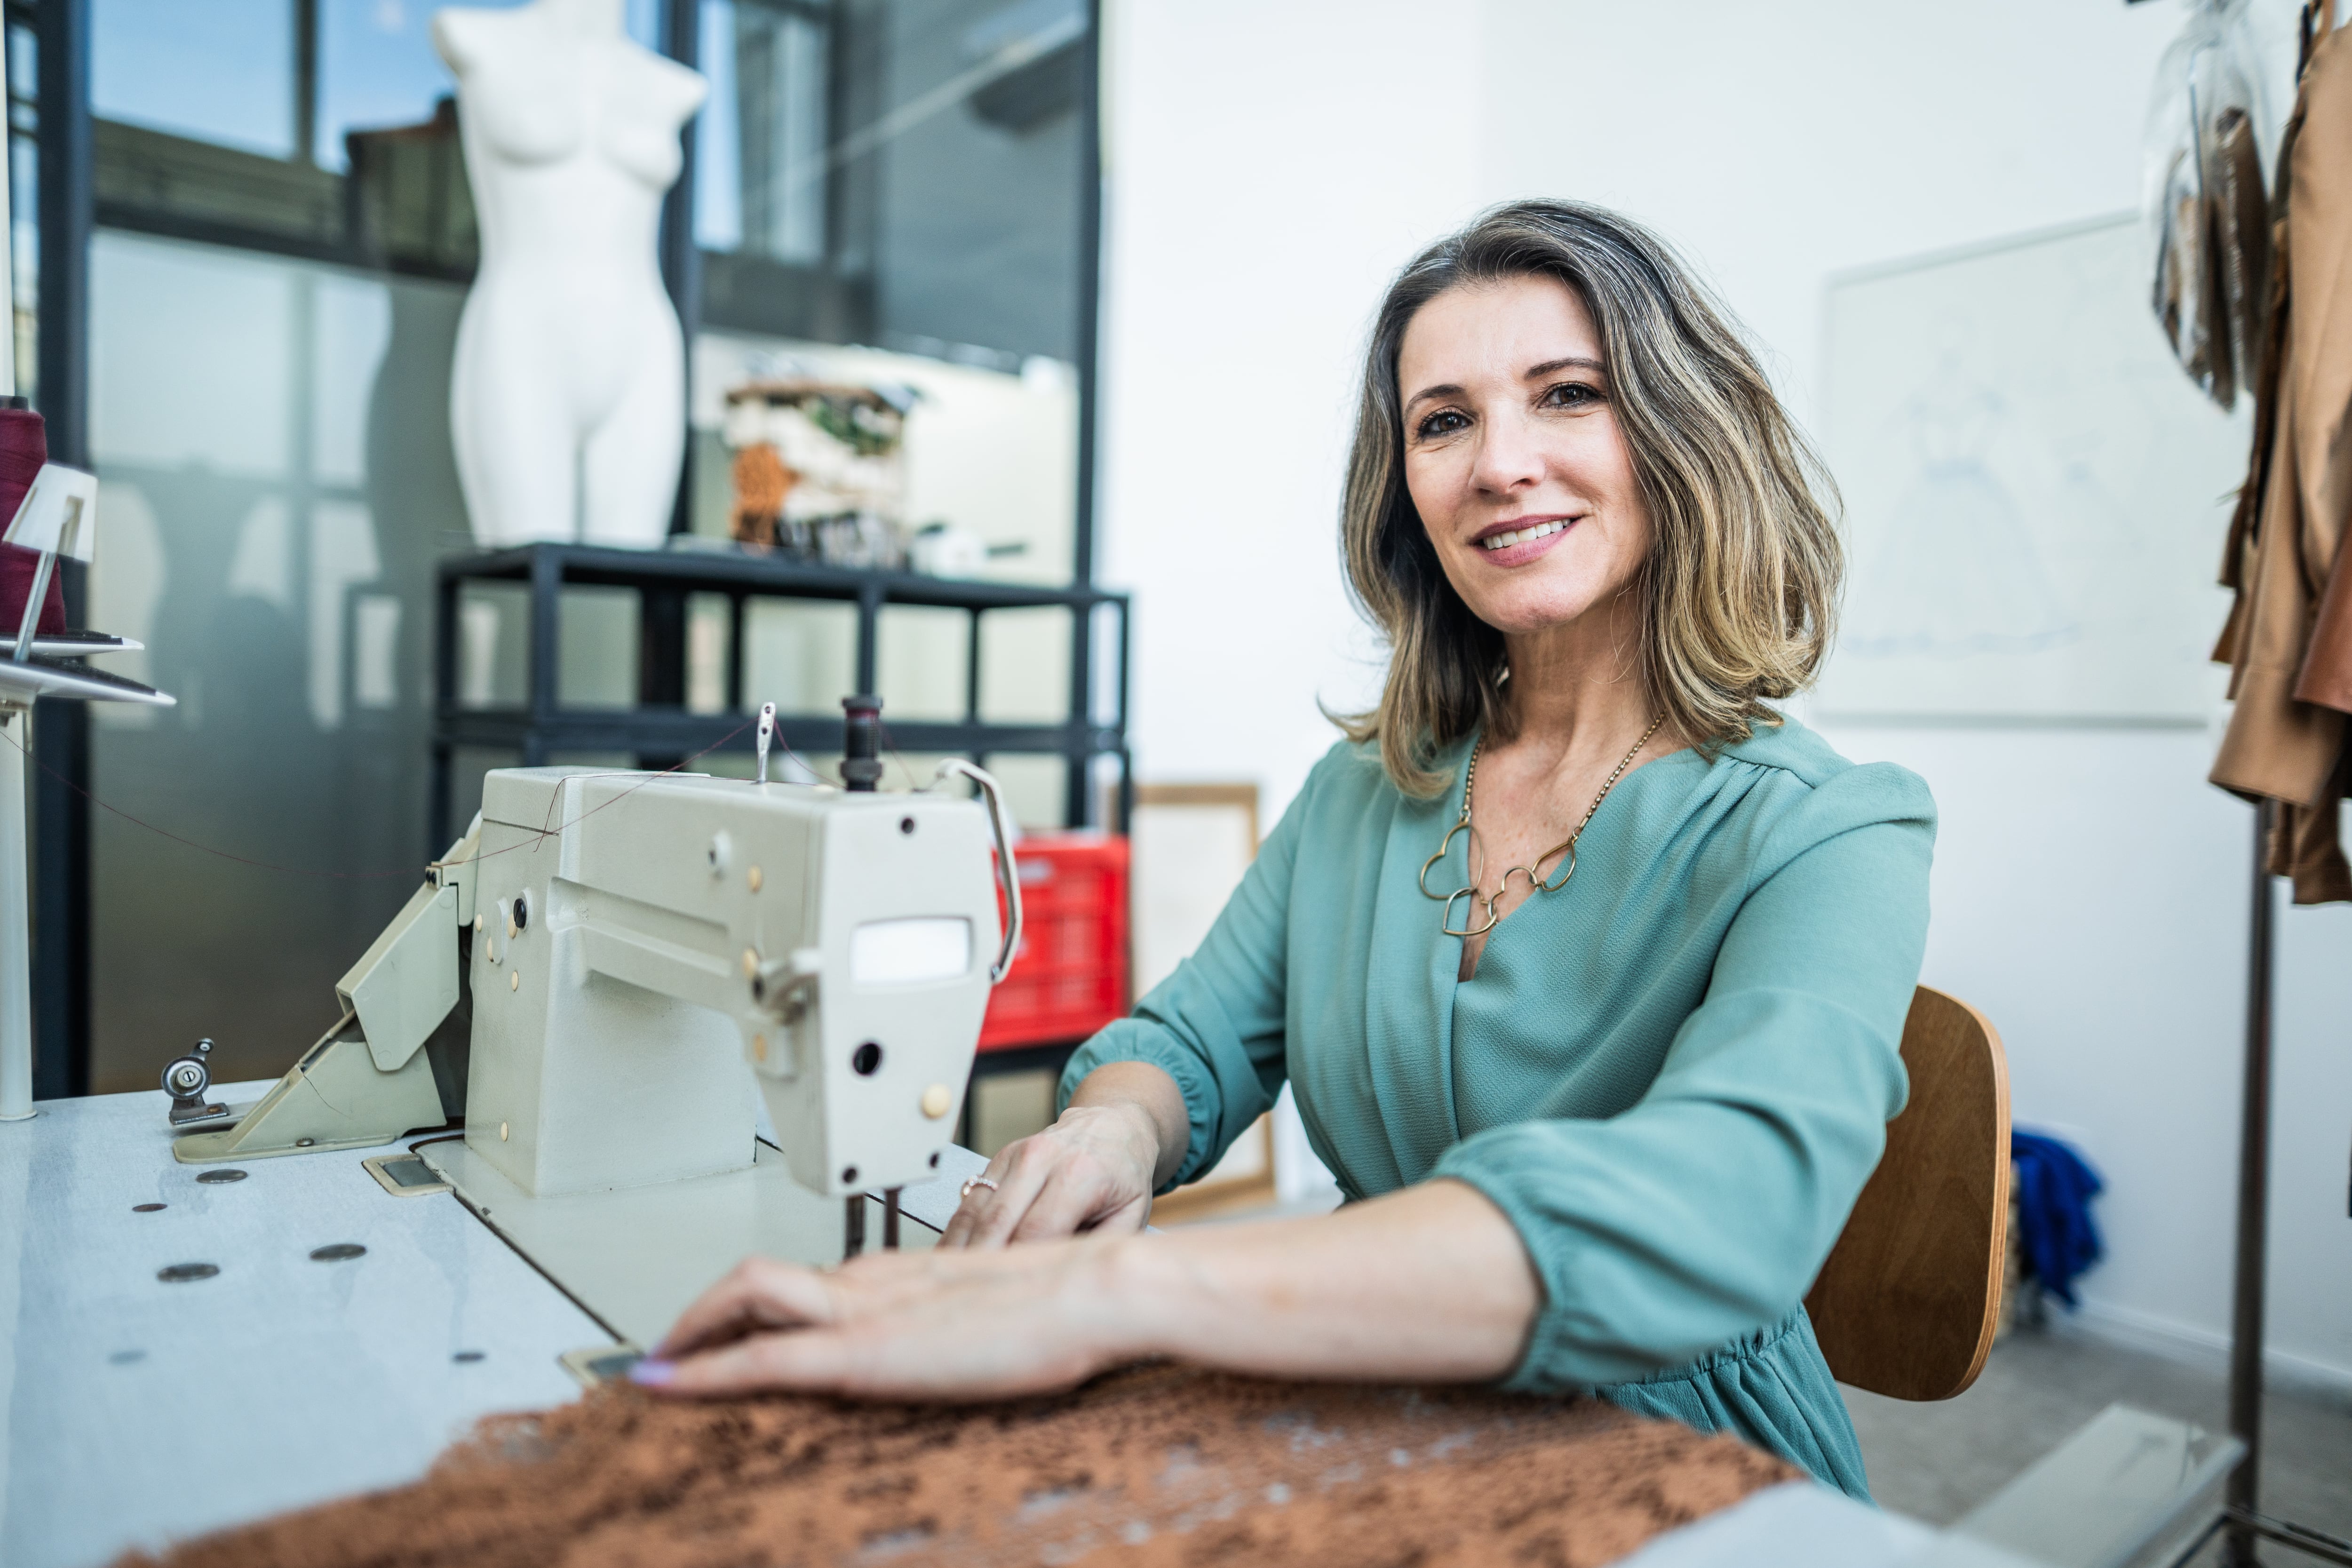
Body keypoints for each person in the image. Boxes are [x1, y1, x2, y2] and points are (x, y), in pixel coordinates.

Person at [632, 199, 1933, 1502]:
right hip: (1387, 1414)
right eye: (1444, 420)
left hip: (1688, 1469)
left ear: (1680, 432)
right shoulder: (1366, 792)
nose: (1499, 464)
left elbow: (1727, 1204)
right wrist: (1104, 1141)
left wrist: (1121, 1293)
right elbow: (1193, 1045)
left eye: (1568, 395)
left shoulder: (1834, 832)